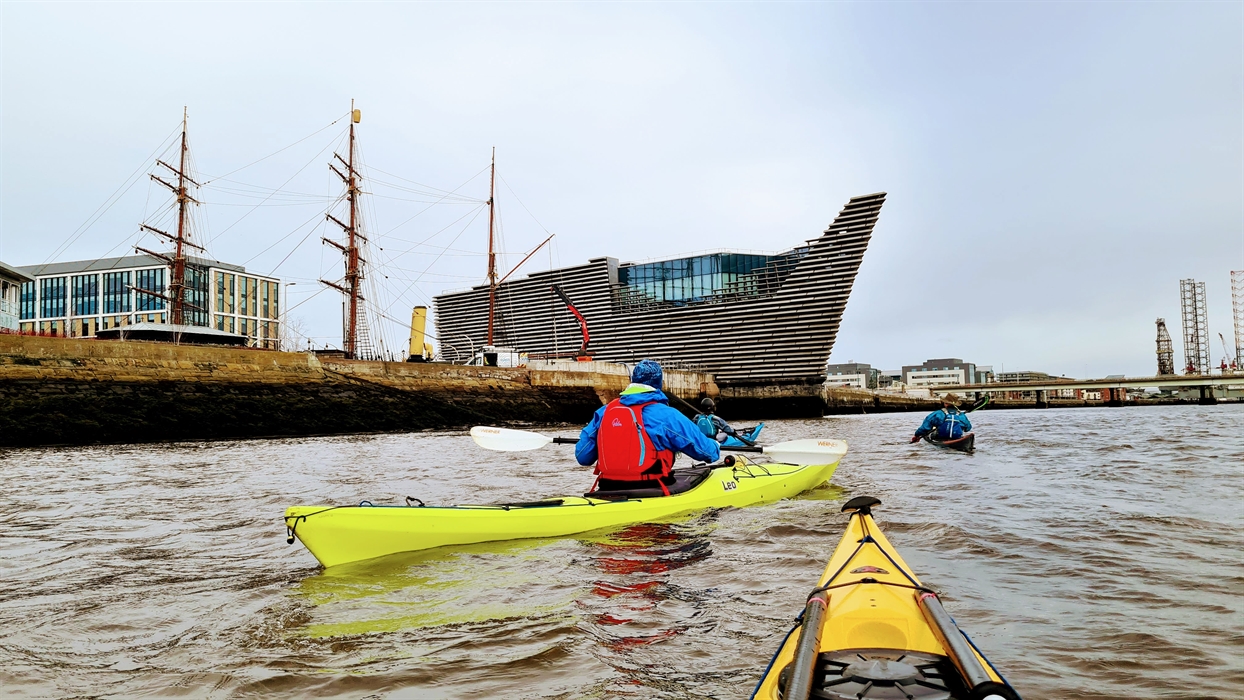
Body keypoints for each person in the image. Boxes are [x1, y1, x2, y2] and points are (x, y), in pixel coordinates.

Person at [576, 359, 721, 494]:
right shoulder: (667, 415)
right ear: (659, 384)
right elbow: (708, 453)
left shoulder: (604, 412)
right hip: (651, 488)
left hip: (607, 487)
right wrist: (716, 444)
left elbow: (583, 456)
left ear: (633, 381)